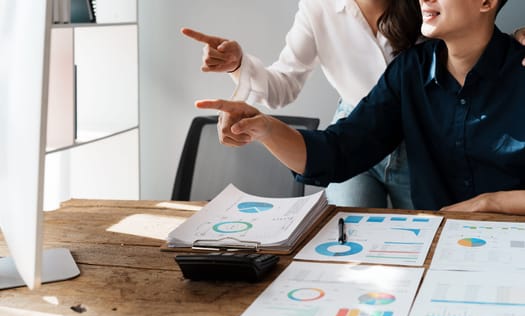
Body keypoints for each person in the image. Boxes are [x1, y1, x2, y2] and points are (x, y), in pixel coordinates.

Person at [194, 0, 525, 215]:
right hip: (436, 241)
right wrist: (265, 127)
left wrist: (490, 203)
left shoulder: (517, 70)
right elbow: (338, 151)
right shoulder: (410, 72)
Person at [182, 0, 423, 209]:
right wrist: (239, 65)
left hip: (418, 132)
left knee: (428, 233)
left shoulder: (430, 7)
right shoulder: (319, 7)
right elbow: (283, 85)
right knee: (347, 234)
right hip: (351, 137)